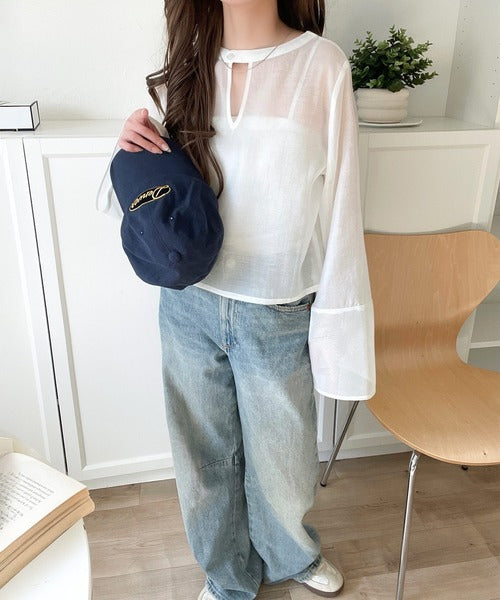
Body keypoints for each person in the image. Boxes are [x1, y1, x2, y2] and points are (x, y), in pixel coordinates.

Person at [96, 1, 376, 598]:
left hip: (279, 308)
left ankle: (290, 554)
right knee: (203, 457)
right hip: (189, 305)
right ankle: (226, 575)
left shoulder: (322, 66)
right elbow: (158, 195)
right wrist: (128, 148)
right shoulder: (186, 68)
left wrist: (339, 325)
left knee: (284, 462)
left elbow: (343, 206)